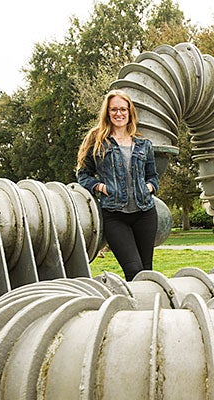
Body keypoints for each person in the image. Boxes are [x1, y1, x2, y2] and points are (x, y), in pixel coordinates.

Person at [77, 89, 159, 281]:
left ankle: (145, 309)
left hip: (145, 213)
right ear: (107, 112)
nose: (119, 113)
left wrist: (149, 188)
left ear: (130, 112)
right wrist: (99, 187)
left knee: (147, 272)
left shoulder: (143, 144)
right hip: (115, 216)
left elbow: (153, 176)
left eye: (123, 109)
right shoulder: (96, 141)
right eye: (114, 109)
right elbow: (83, 174)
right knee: (133, 270)